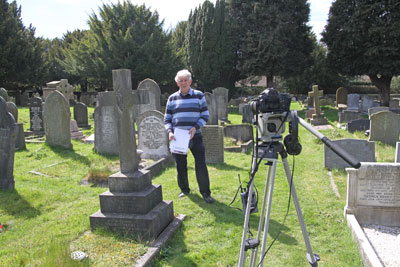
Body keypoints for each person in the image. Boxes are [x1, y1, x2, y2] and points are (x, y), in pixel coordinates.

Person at [164, 69, 214, 204]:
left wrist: (195, 127)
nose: (183, 82)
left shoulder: (199, 96)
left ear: (190, 82)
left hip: (195, 136)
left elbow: (205, 115)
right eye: (180, 80)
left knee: (201, 164)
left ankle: (205, 192)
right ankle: (185, 189)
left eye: (186, 80)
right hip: (178, 138)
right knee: (180, 165)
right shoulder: (172, 98)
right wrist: (170, 132)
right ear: (177, 83)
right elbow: (167, 119)